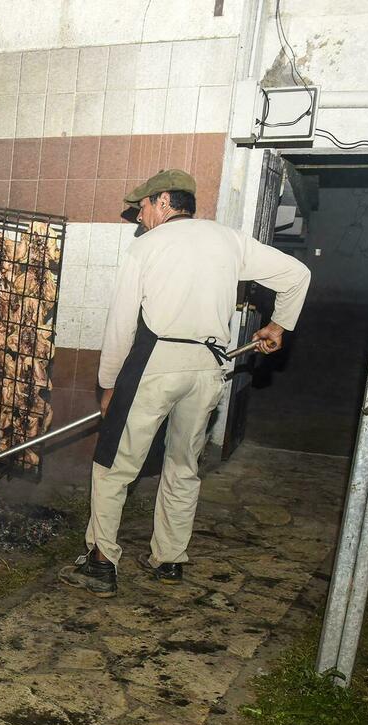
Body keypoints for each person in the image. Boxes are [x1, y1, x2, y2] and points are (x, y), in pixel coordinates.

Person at [60, 168, 311, 596]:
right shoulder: (229, 239)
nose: (140, 219)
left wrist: (107, 385)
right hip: (208, 366)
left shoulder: (147, 247)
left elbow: (121, 324)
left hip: (156, 361)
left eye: (141, 208)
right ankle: (169, 559)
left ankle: (101, 561)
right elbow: (297, 274)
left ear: (162, 203)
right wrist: (278, 326)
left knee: (114, 466)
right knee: (183, 466)